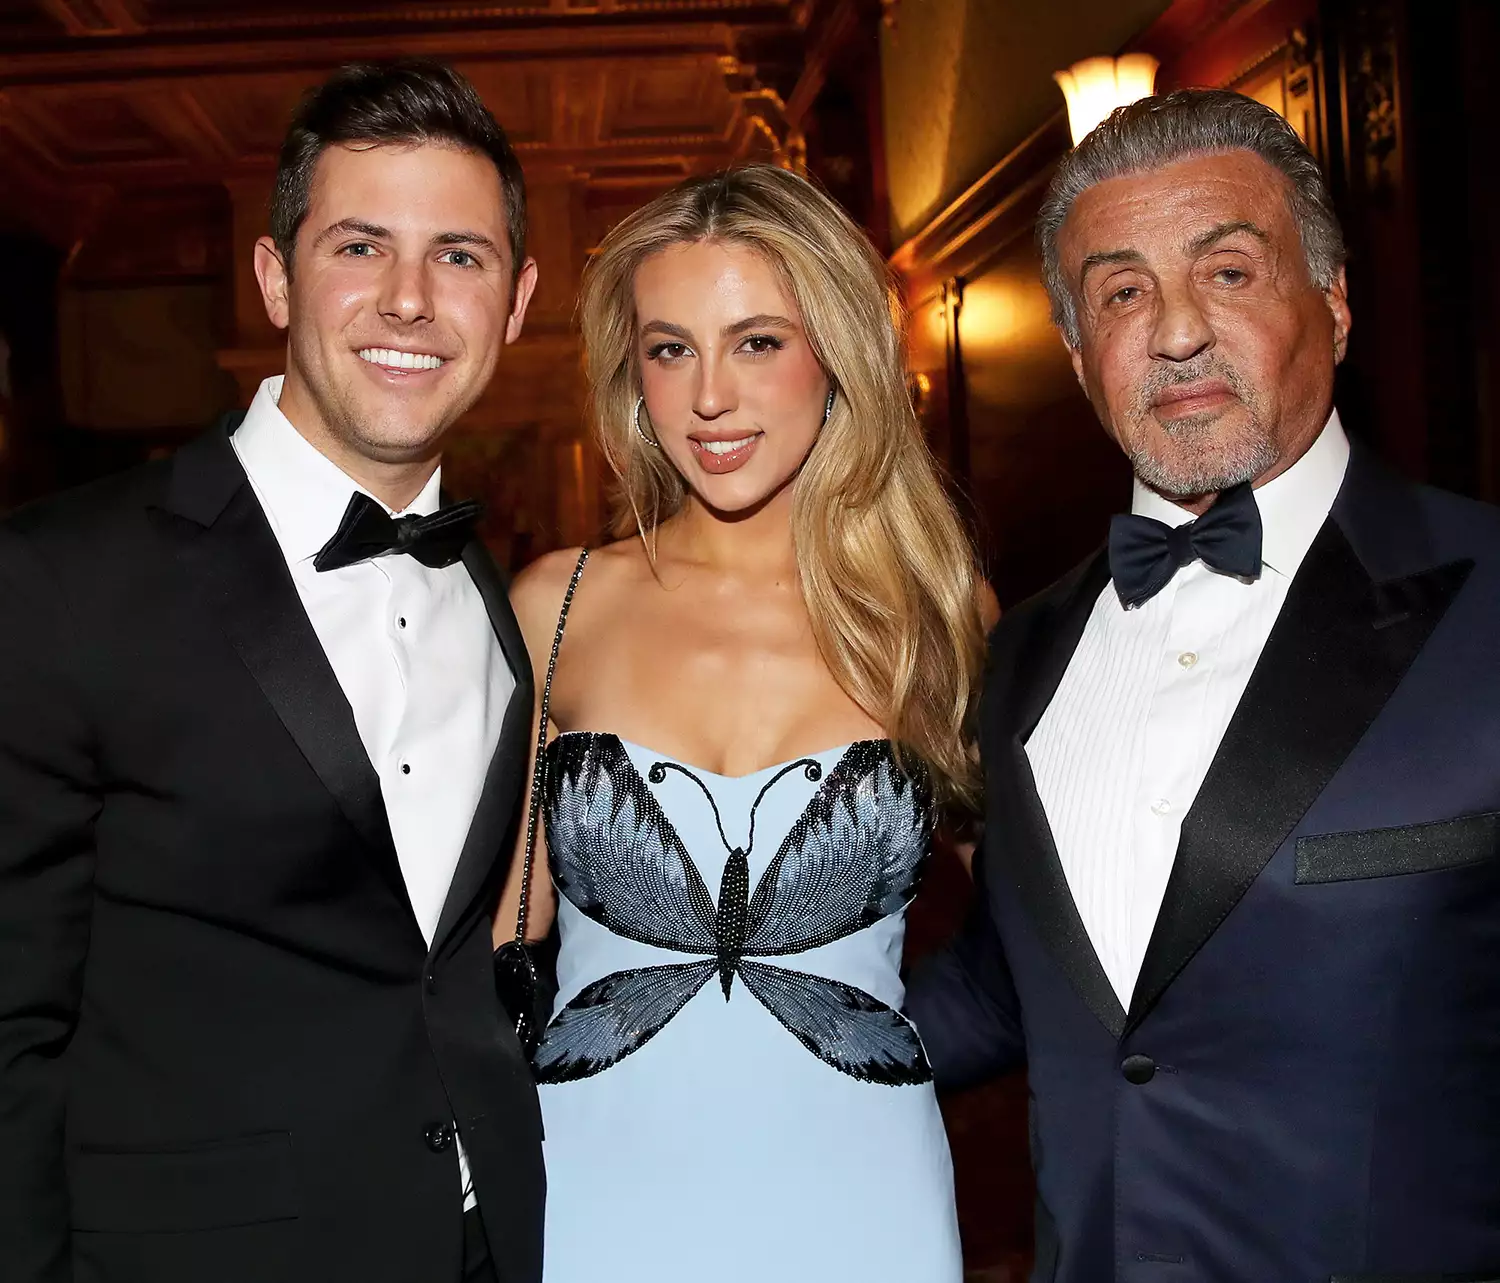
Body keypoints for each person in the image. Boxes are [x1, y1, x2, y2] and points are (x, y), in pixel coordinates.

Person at [905, 86, 1500, 1281]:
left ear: (1332, 303)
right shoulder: (1017, 652)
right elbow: (1011, 985)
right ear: (1078, 354)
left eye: (1228, 272)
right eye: (1122, 292)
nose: (1175, 331)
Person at [0, 61, 545, 1283]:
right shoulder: (58, 580)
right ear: (273, 279)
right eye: (361, 246)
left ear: (516, 303)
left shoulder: (501, 605)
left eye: (460, 256)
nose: (410, 299)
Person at [499, 165, 987, 1283]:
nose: (710, 395)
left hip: (864, 1190)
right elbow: (488, 934)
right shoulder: (557, 604)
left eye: (758, 340)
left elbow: (1045, 932)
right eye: (671, 349)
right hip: (593, 1177)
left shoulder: (929, 617)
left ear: (838, 354)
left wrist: (896, 1038)